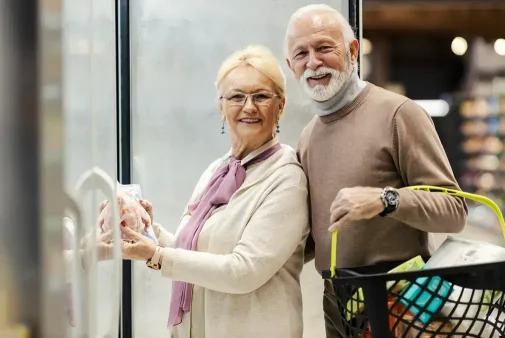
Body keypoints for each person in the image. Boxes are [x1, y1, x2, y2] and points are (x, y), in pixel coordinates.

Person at [100, 45, 310, 338]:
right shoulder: (217, 170)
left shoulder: (287, 178)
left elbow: (243, 271)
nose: (249, 107)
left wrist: (157, 254)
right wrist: (147, 228)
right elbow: (195, 253)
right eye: (236, 96)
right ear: (221, 107)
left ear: (281, 106)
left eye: (261, 96)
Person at [284, 4, 469, 337]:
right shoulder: (308, 137)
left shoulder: (399, 114)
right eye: (301, 54)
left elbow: (454, 211)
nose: (313, 62)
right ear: (290, 66)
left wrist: (386, 200)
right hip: (337, 301)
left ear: (353, 50)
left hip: (401, 303)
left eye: (325, 48)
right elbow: (314, 237)